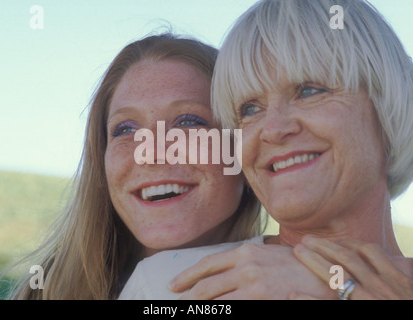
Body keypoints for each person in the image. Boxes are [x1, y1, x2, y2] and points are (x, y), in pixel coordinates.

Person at [170, 0, 413, 299]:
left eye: (309, 91)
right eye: (249, 109)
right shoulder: (172, 285)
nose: (272, 130)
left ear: (388, 107)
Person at [2, 33, 262, 299]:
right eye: (126, 129)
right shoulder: (41, 293)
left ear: (241, 148)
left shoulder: (294, 282)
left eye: (188, 122)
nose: (150, 153)